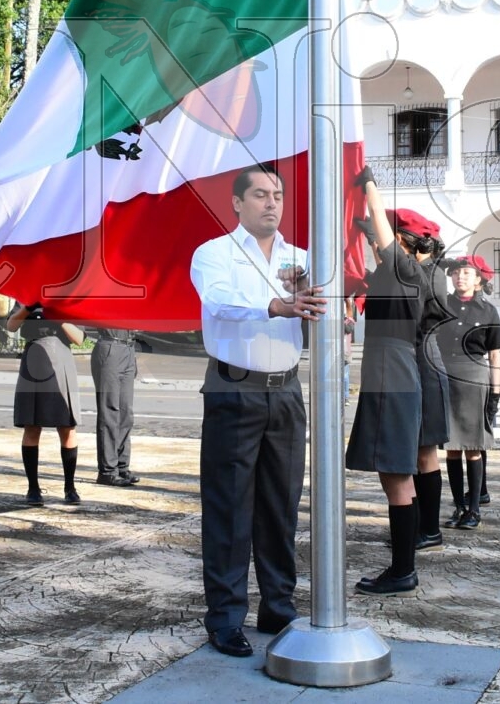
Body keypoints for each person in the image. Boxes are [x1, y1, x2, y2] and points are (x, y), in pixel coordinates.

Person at [189, 164, 324, 658]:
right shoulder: (214, 253)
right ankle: (226, 618)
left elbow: (332, 311)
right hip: (234, 390)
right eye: (261, 194)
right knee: (229, 508)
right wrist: (276, 305)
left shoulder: (301, 259)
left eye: (278, 195)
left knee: (280, 505)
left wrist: (315, 294)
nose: (272, 203)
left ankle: (278, 606)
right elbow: (219, 302)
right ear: (237, 203)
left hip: (285, 391)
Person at [344, 166, 435, 597]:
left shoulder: (407, 272)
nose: (375, 242)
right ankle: (402, 567)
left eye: (385, 239)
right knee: (392, 474)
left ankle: (402, 571)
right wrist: (360, 223)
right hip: (389, 373)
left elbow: (382, 234)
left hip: (392, 376)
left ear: (403, 243)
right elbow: (374, 237)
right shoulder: (392, 273)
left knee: (397, 474)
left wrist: (369, 185)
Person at [435, 255, 500, 530]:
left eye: (466, 273)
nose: (460, 277)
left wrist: (495, 394)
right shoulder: (442, 305)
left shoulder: (488, 311)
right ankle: (458, 506)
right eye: (456, 272)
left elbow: (495, 356)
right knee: (452, 449)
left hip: (474, 379)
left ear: (478, 280)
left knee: (474, 448)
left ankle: (474, 510)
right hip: (445, 377)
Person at [8, 303, 85, 506]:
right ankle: (33, 488)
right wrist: (28, 307)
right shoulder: (26, 295)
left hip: (62, 358)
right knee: (32, 426)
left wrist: (57, 313)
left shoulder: (68, 298)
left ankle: (70, 488)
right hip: (34, 358)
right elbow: (11, 325)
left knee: (67, 427)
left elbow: (79, 338)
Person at [411, 230, 453, 553]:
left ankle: (429, 529)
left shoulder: (431, 272)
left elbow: (421, 314)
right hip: (416, 360)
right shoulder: (423, 271)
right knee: (415, 452)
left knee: (425, 451)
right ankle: (419, 526)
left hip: (425, 363)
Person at [89, 327, 140, 487]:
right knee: (109, 411)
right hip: (110, 345)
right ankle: (107, 471)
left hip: (128, 347)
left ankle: (122, 466)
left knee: (126, 413)